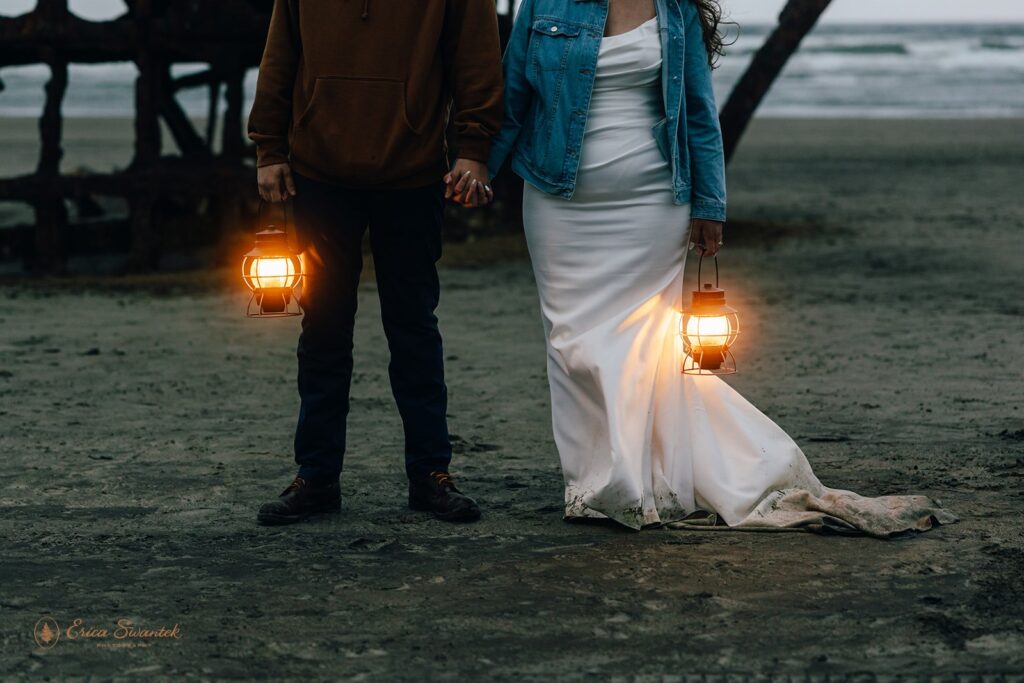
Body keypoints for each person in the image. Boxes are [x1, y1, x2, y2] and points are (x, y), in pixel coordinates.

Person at [487, 0, 955, 534]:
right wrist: (476, 166)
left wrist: (711, 205)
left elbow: (697, 111)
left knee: (640, 345)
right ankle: (595, 480)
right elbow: (513, 98)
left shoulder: (673, 10)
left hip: (652, 201)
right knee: (570, 342)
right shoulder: (543, 6)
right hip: (555, 201)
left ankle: (623, 485)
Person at [248, 0, 503, 525]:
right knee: (322, 329)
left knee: (413, 327)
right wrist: (269, 149)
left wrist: (473, 147)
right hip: (319, 173)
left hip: (413, 175)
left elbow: (476, 58)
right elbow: (281, 52)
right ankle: (316, 478)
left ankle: (431, 475)